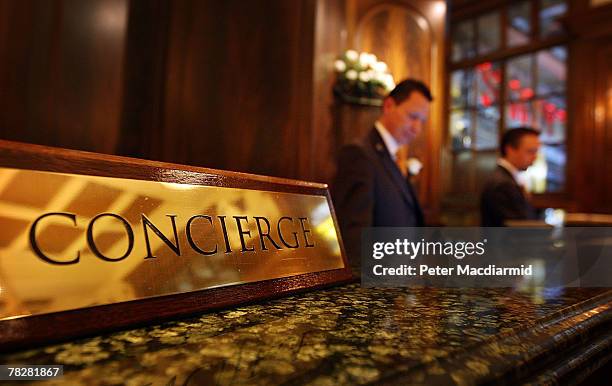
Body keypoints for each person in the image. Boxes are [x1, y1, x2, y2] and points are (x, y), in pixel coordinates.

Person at [331, 79, 432, 268]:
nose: (417, 128)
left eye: (422, 121)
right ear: (388, 105)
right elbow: (354, 239)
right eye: (412, 116)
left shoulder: (392, 156)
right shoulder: (359, 154)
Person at [480, 127, 541, 226]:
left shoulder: (506, 179)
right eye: (531, 151)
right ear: (510, 150)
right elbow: (516, 228)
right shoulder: (502, 184)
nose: (535, 157)